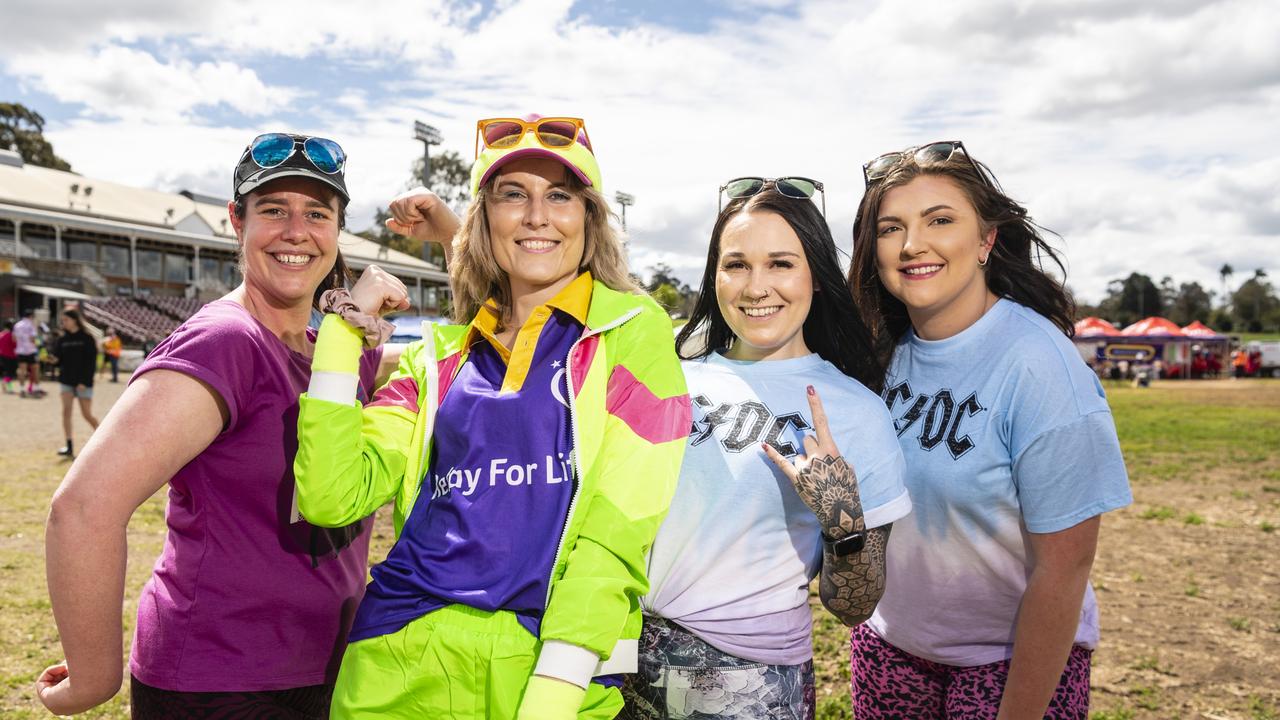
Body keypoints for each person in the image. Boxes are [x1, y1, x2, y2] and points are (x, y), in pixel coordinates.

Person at [294, 114, 691, 719]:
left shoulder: (633, 331)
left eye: (559, 195)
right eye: (514, 195)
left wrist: (556, 691)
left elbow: (621, 526)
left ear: (588, 217)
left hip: (547, 670)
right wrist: (343, 334)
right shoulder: (437, 358)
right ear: (485, 220)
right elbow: (330, 496)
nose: (537, 215)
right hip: (393, 666)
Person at [37, 132, 397, 718]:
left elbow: (491, 338)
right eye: (273, 211)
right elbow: (82, 509)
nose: (296, 232)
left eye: (317, 213)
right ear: (236, 220)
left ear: (338, 231)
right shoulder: (225, 342)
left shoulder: (335, 348)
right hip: (221, 681)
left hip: (331, 666)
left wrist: (448, 230)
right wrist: (92, 677)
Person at [846, 141, 1133, 719]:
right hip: (889, 650)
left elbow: (1066, 566)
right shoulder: (878, 355)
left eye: (940, 220)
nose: (911, 244)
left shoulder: (1039, 364)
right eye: (890, 227)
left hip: (1006, 664)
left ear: (986, 240)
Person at [622, 180, 910, 719]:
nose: (757, 287)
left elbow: (854, 606)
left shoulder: (855, 411)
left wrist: (841, 518)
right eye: (736, 265)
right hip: (619, 669)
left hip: (750, 684)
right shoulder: (668, 375)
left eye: (781, 263)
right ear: (714, 275)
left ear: (816, 277)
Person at [49, 308, 101, 457]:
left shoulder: (87, 337)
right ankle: (69, 446)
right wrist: (53, 360)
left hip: (83, 382)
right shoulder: (62, 339)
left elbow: (91, 362)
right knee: (66, 412)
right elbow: (59, 360)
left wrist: (84, 381)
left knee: (86, 414)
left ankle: (105, 440)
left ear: (75, 320)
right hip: (66, 381)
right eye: (62, 320)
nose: (63, 323)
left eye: (66, 320)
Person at [14, 307, 42, 397]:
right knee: (35, 370)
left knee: (22, 371)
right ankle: (36, 389)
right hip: (31, 350)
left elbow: (14, 339)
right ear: (31, 316)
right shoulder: (31, 325)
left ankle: (22, 390)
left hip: (20, 350)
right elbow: (32, 338)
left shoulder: (17, 325)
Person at [0, 319, 17, 393]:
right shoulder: (12, 334)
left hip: (2, 355)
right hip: (11, 355)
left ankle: (9, 388)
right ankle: (5, 383)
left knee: (7, 372)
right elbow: (15, 345)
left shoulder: (1, 334)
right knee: (11, 373)